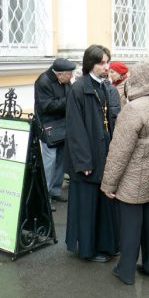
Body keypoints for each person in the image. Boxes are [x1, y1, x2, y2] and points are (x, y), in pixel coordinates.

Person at [101, 61, 149, 285]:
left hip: (133, 178)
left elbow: (120, 151)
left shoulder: (133, 108)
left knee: (130, 227)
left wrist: (108, 184)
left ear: (138, 78)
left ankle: (126, 271)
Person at [64, 44, 121, 262]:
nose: (107, 67)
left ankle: (106, 244)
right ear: (90, 64)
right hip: (87, 159)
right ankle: (89, 249)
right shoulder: (78, 89)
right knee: (88, 206)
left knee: (104, 204)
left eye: (108, 62)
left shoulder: (106, 87)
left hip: (104, 153)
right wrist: (84, 162)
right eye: (102, 63)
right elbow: (75, 130)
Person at [34, 58, 76, 211]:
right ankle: (45, 197)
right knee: (49, 163)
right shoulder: (43, 81)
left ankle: (55, 191)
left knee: (60, 160)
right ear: (59, 74)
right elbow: (46, 105)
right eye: (69, 74)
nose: (71, 77)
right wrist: (68, 101)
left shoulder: (64, 81)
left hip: (63, 126)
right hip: (49, 127)